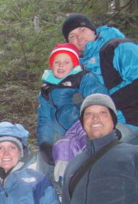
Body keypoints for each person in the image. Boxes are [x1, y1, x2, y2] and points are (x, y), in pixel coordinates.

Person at [61, 13, 138, 148]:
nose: (79, 37)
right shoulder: (77, 68)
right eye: (72, 36)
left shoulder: (119, 47)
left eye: (82, 30)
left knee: (93, 150)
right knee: (61, 147)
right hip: (98, 124)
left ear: (93, 31)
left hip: (136, 122)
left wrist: (100, 105)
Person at [37, 42, 108, 185]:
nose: (61, 65)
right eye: (57, 62)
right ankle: (50, 191)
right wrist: (44, 143)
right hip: (58, 132)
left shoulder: (83, 78)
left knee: (84, 162)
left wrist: (80, 105)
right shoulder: (46, 89)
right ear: (51, 65)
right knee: (44, 165)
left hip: (81, 129)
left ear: (74, 65)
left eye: (66, 62)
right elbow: (44, 119)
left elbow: (100, 101)